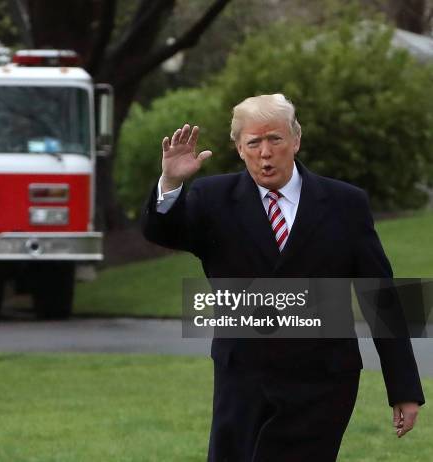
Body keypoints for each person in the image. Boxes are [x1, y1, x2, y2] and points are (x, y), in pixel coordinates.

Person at [141, 94, 424, 462]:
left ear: (296, 139)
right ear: (239, 149)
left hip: (322, 383)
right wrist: (170, 184)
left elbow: (382, 296)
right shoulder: (213, 199)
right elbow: (163, 233)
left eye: (275, 139)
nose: (265, 152)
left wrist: (404, 388)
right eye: (254, 142)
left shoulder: (345, 204)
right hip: (241, 381)